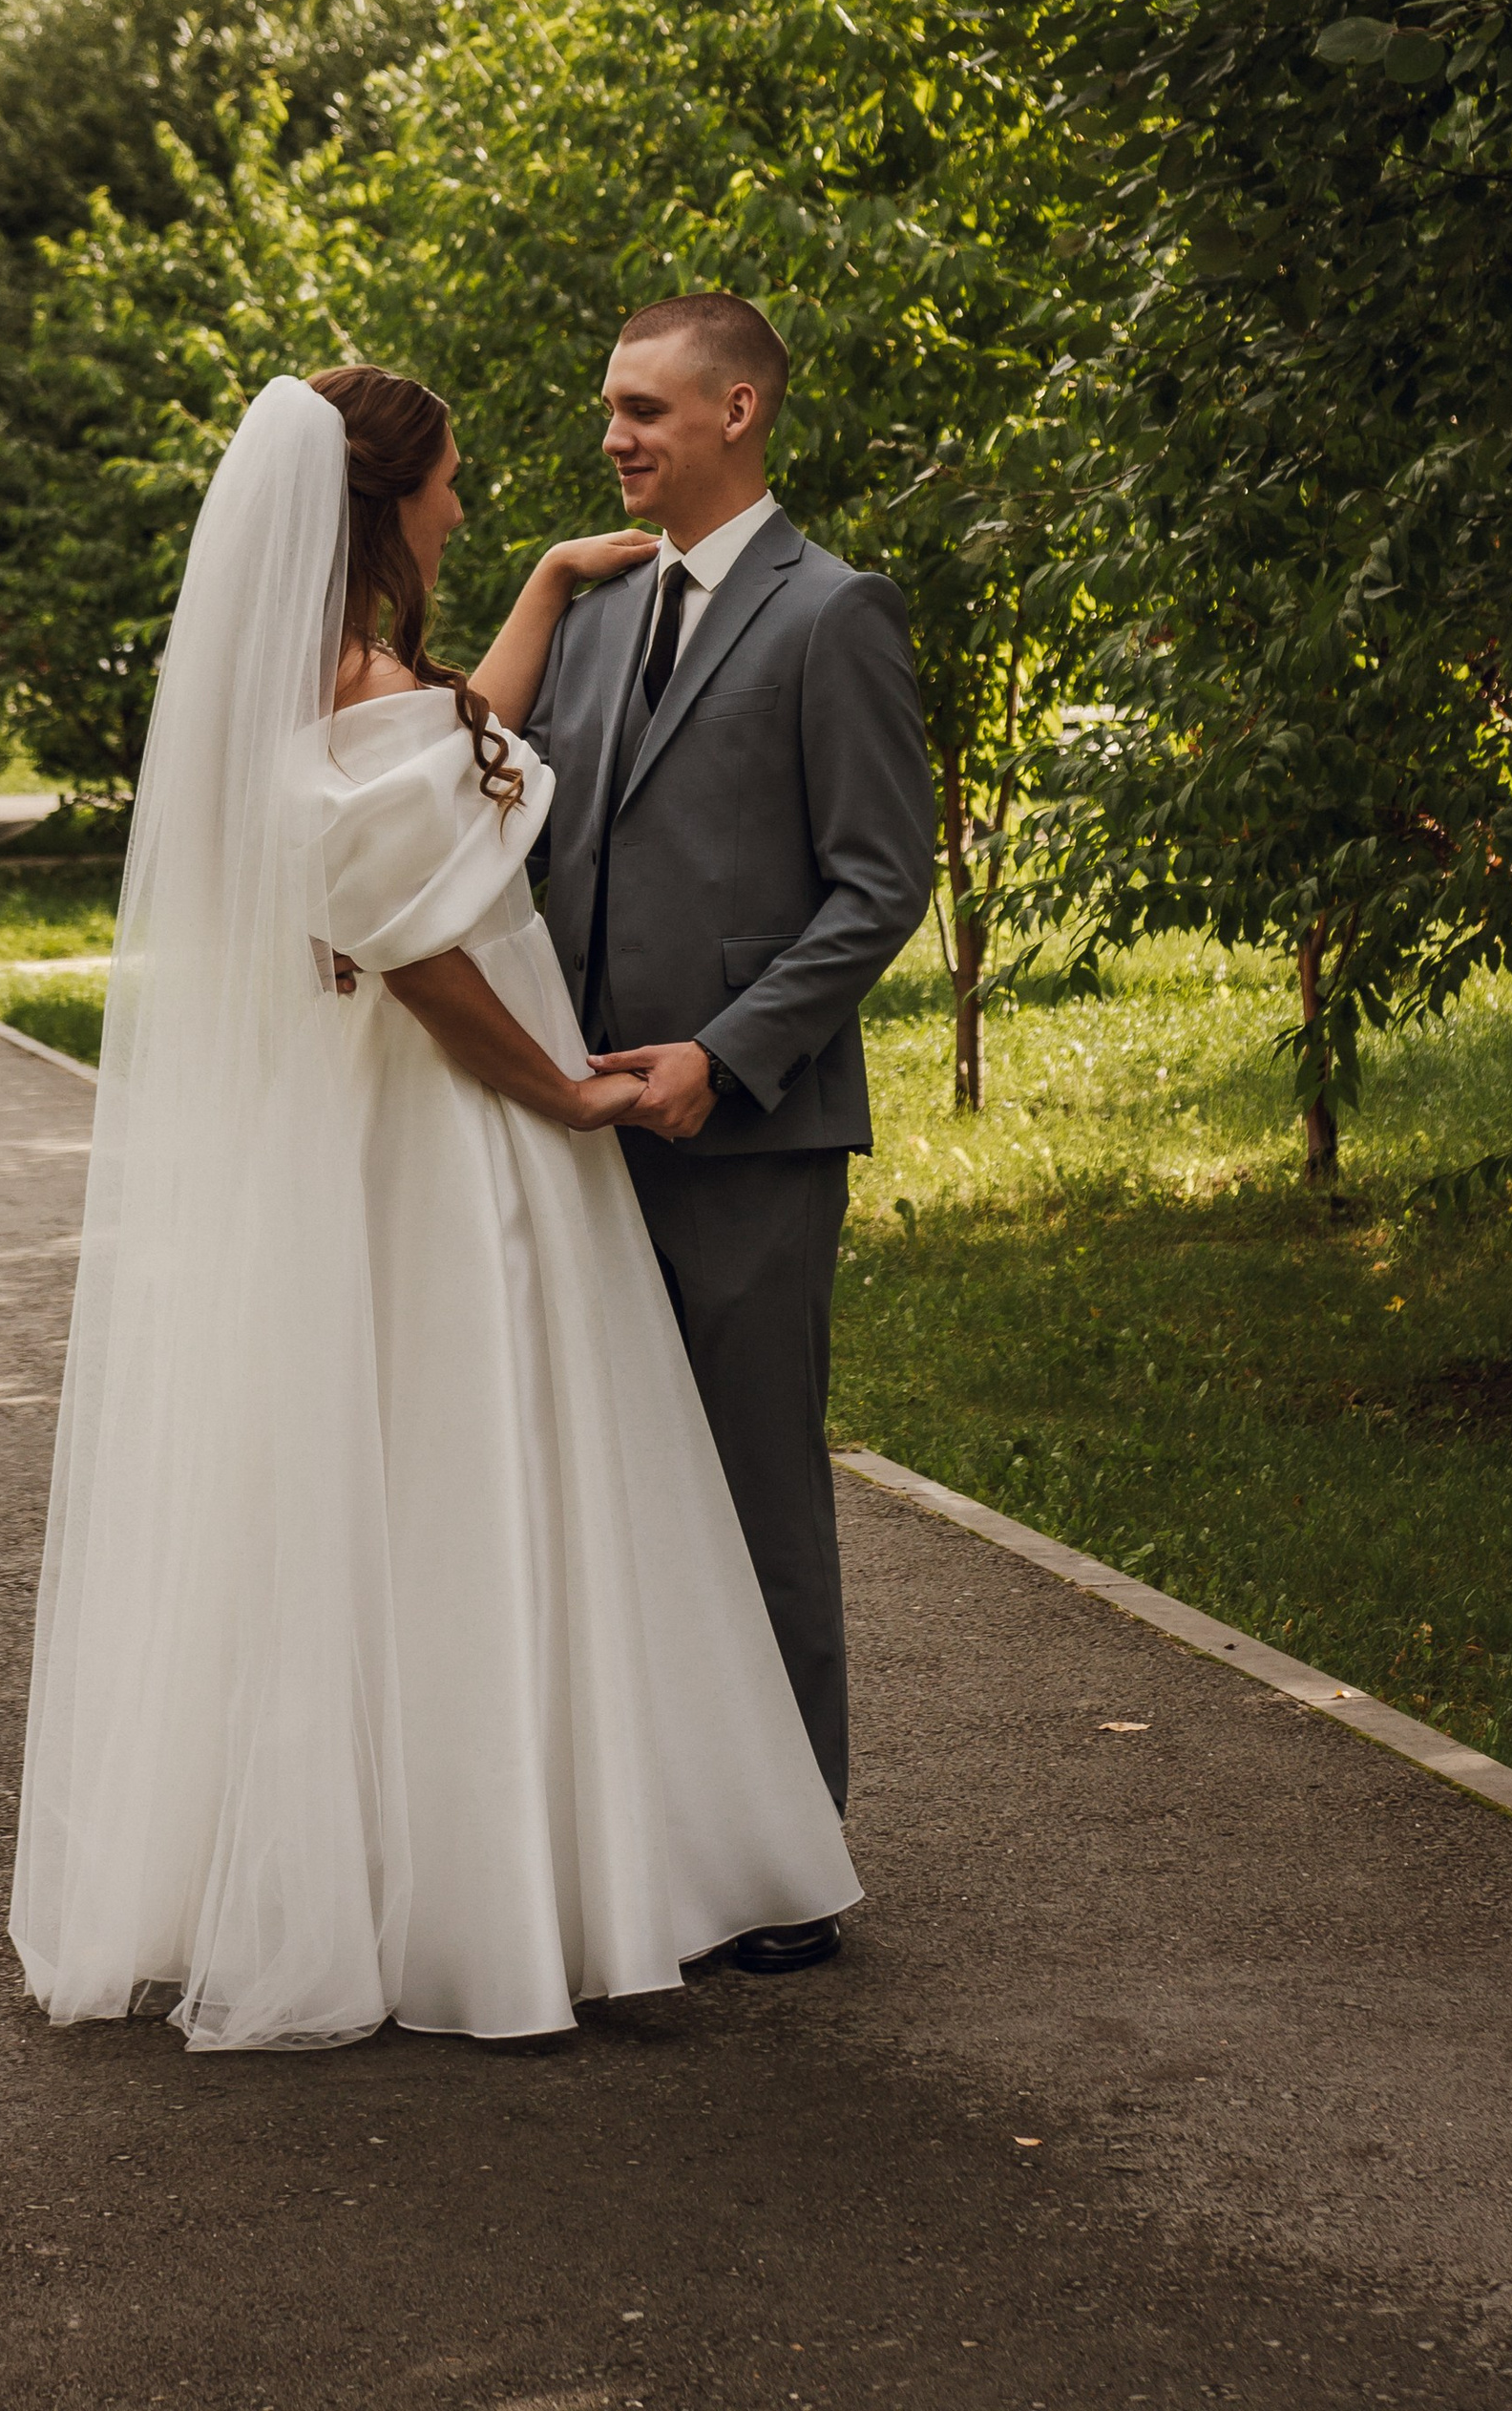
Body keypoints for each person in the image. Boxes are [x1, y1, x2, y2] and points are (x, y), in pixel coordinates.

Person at [10, 368, 859, 2055]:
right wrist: (550, 1090)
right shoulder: (341, 672)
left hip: (391, 1118)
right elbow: (408, 945)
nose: (467, 509)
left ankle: (458, 1847)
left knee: (412, 1460)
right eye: (453, 485)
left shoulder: (334, 672)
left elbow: (444, 747)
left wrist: (546, 587)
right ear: (382, 501)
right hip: (456, 1115)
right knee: (486, 1451)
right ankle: (503, 1875)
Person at [526, 294, 936, 1972]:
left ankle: (788, 1863)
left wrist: (725, 1051)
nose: (615, 436)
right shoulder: (602, 607)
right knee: (614, 1495)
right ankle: (656, 1834)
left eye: (644, 409)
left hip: (748, 1137)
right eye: (608, 409)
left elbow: (879, 881)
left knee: (756, 1497)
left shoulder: (834, 612)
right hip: (573, 1126)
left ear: (739, 407)